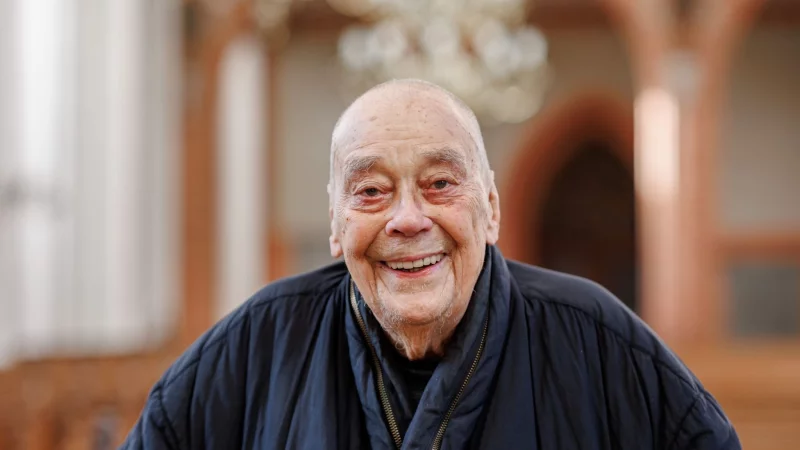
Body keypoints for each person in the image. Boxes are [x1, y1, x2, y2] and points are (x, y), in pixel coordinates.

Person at [121, 79, 740, 449]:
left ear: (490, 209)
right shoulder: (255, 347)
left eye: (441, 183)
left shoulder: (600, 344)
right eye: (370, 192)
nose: (408, 219)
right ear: (337, 225)